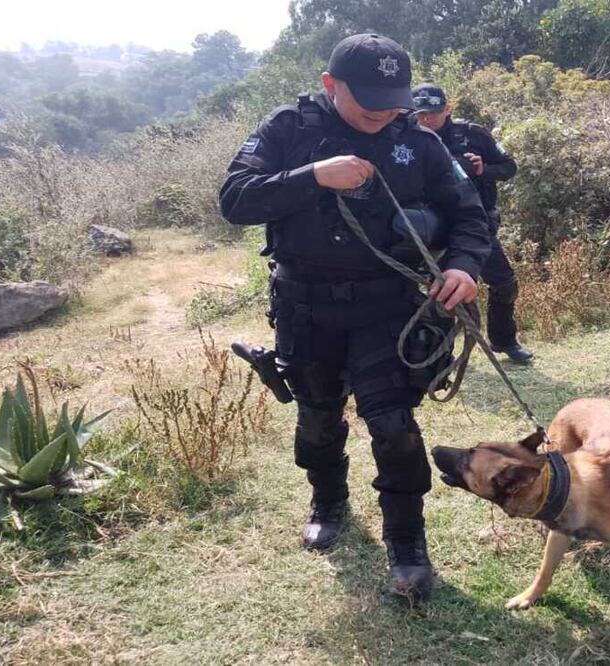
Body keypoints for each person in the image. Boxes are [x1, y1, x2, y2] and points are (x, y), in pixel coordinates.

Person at [219, 33, 491, 602]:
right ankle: (327, 499)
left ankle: (407, 540)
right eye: (369, 102)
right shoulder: (289, 129)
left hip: (387, 305)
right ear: (329, 86)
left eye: (393, 103)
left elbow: (468, 214)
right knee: (317, 417)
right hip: (305, 304)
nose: (383, 114)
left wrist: (464, 266)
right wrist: (312, 175)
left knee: (393, 426)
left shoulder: (418, 142)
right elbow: (234, 201)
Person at [410, 83, 534, 363]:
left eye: (433, 113)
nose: (427, 120)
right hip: (432, 229)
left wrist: (484, 169)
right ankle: (439, 355)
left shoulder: (473, 134)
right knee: (441, 295)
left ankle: (504, 341)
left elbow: (509, 166)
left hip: (475, 227)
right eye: (421, 114)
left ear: (448, 109)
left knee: (504, 284)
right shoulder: (407, 139)